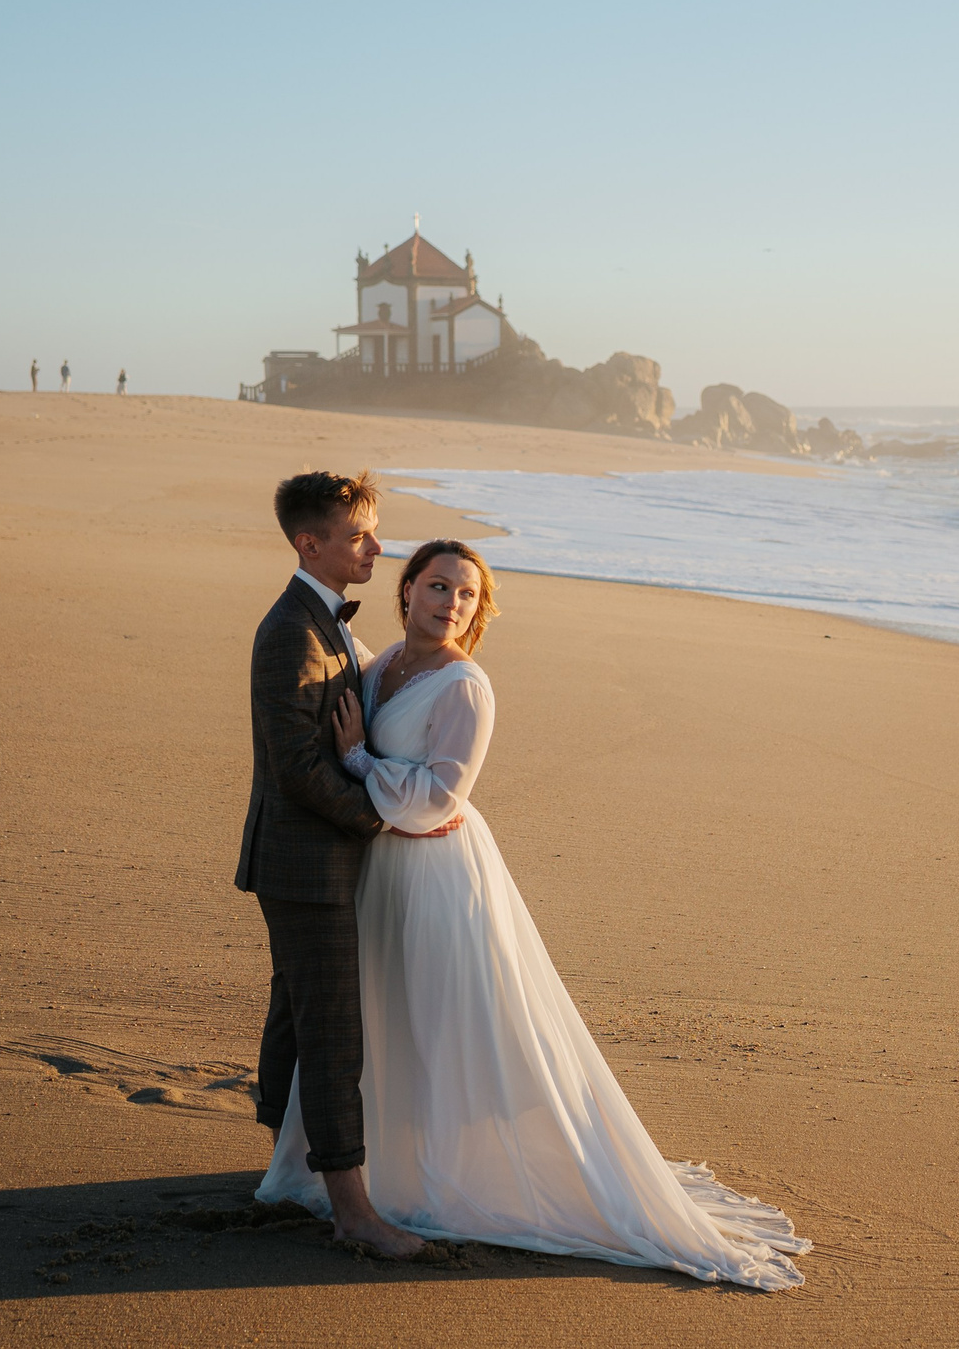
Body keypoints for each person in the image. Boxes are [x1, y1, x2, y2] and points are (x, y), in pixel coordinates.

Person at [254, 536, 810, 1289]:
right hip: (380, 869)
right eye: (439, 586)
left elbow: (444, 798)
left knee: (451, 1018)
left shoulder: (466, 687)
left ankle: (455, 1171)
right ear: (408, 590)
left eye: (468, 595)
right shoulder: (380, 664)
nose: (452, 603)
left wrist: (358, 765)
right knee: (388, 1018)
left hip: (439, 872)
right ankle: (392, 1164)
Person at [235, 470, 436, 1260]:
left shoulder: (329, 624)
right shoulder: (291, 630)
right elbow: (294, 767)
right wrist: (379, 821)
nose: (377, 548)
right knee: (332, 1033)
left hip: (310, 858)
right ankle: (352, 1211)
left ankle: (290, 1172)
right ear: (307, 543)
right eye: (358, 536)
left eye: (375, 531)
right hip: (303, 863)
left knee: (296, 1017)